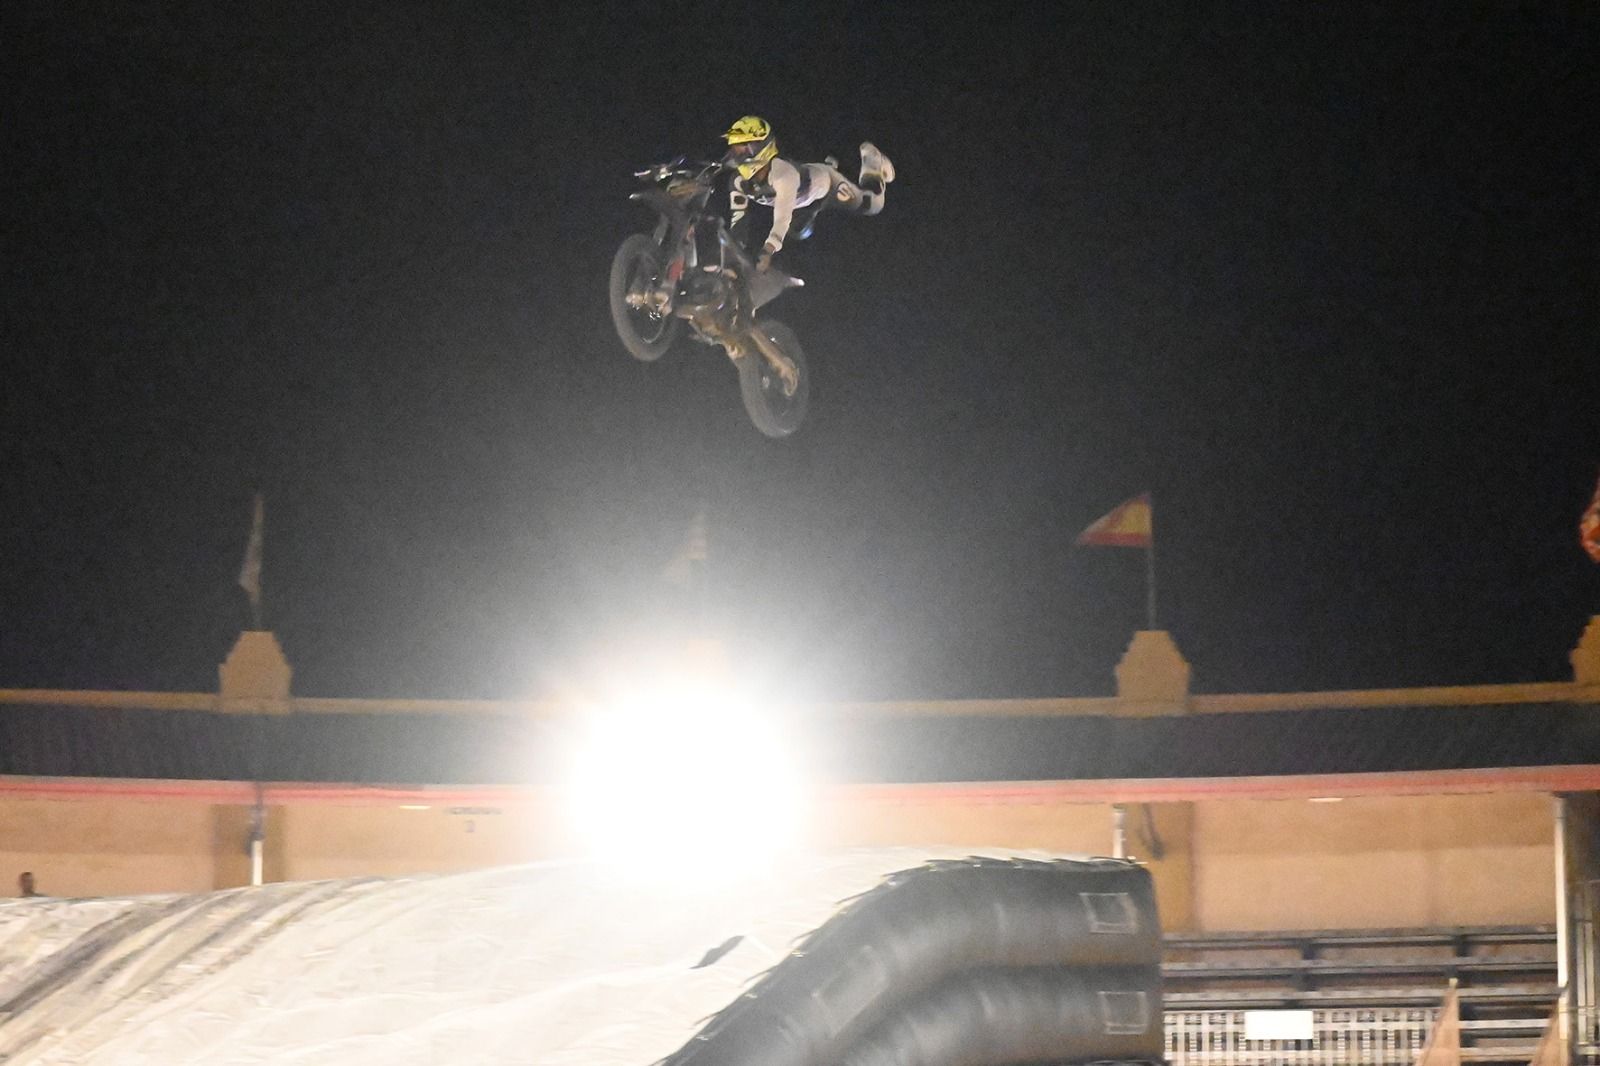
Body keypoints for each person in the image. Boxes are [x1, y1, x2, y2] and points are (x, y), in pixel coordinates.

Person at [720, 115, 894, 271]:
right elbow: (738, 219)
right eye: (734, 148)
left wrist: (768, 250)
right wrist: (734, 255)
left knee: (872, 205)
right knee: (798, 231)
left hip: (827, 187)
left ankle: (872, 161)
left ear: (761, 146)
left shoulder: (783, 176)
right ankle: (832, 167)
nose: (736, 154)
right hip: (801, 201)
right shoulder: (739, 180)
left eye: (743, 148)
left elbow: (782, 219)